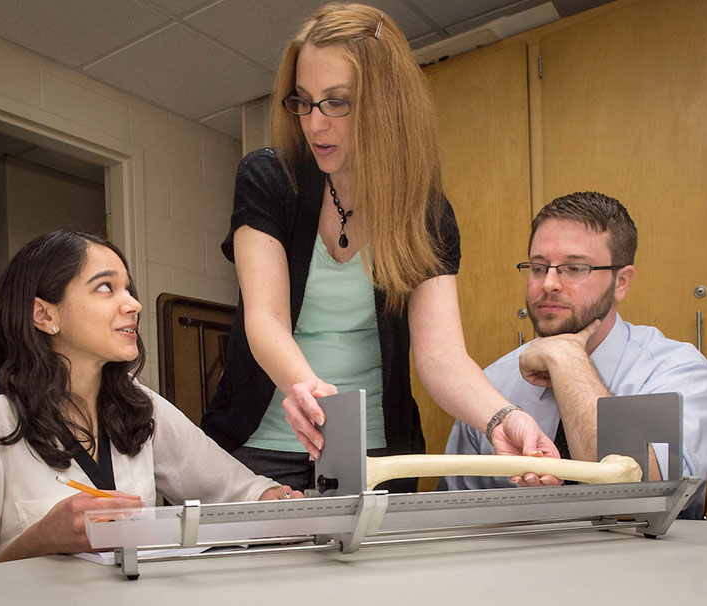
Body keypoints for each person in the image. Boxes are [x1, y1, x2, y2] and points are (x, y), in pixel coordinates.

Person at [201, 2, 558, 492]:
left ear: (386, 104)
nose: (315, 124)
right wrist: (309, 392)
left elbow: (441, 357)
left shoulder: (426, 212)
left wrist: (501, 418)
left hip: (378, 455)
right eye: (303, 101)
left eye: (337, 102)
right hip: (260, 447)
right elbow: (264, 319)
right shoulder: (270, 179)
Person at [0, 231, 301, 574]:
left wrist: (275, 500)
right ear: (44, 315)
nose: (133, 304)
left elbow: (237, 490)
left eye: (129, 289)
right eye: (105, 288)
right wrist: (41, 540)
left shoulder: (140, 404)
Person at [443, 192, 707, 518]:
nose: (549, 283)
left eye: (574, 268)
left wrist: (566, 359)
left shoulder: (676, 374)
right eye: (539, 267)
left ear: (621, 281)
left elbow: (642, 504)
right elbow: (456, 516)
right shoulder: (491, 386)